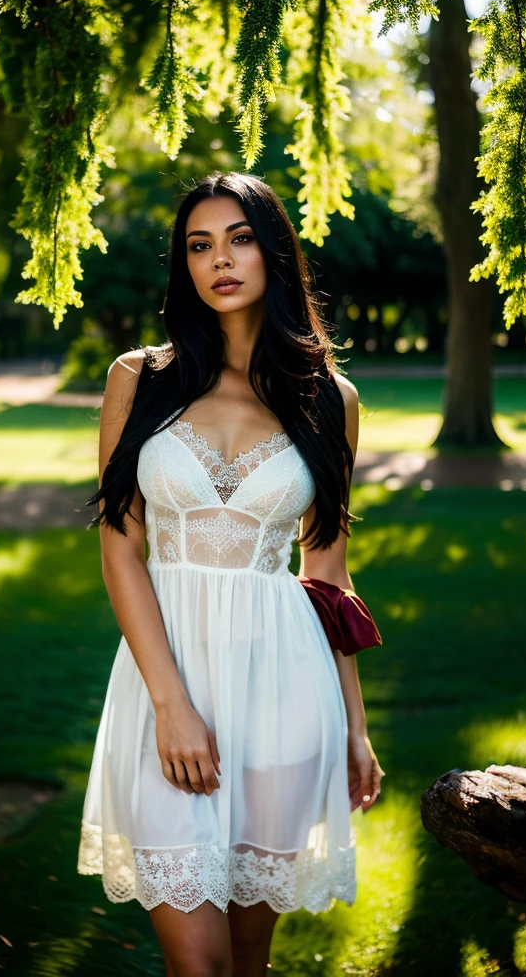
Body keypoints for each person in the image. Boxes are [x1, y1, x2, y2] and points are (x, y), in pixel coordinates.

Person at [78, 171, 385, 977]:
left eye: (239, 239)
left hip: (287, 690)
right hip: (165, 687)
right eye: (199, 245)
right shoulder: (137, 379)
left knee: (248, 963)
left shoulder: (332, 400)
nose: (219, 260)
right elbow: (119, 549)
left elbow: (328, 573)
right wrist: (171, 705)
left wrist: (354, 727)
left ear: (275, 252)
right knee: (198, 966)